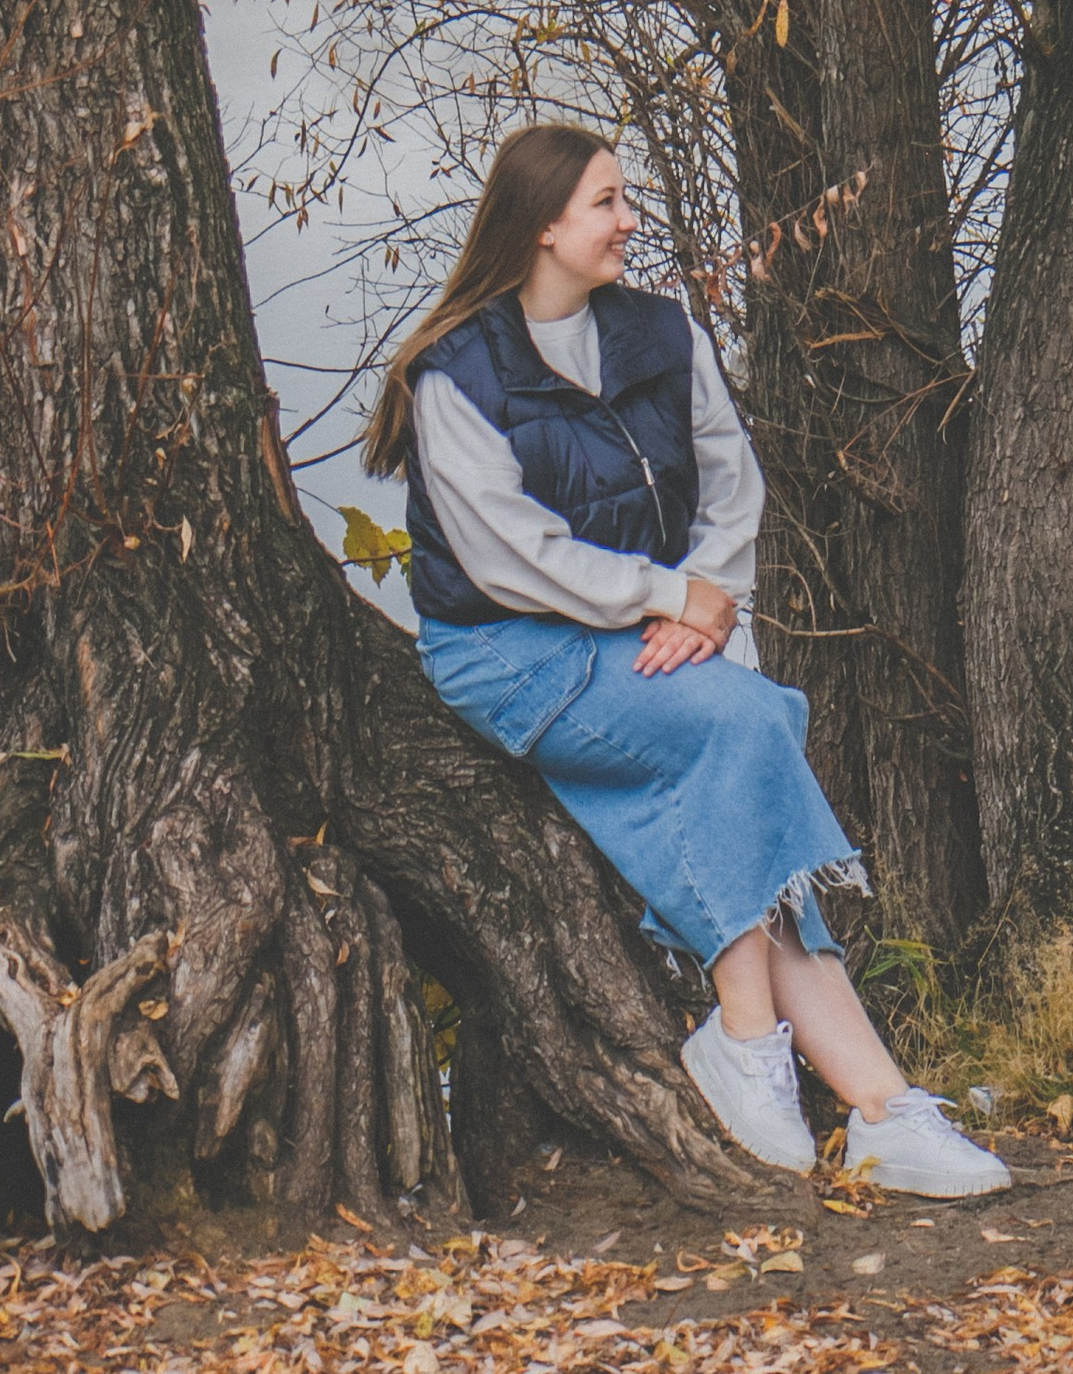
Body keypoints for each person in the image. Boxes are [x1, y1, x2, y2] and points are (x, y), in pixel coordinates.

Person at [362, 120, 1008, 1197]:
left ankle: (879, 1107)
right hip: (508, 650)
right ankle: (749, 1034)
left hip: (645, 630)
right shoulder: (456, 376)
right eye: (607, 203)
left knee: (744, 753)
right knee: (752, 725)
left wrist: (709, 607)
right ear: (541, 227)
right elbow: (509, 558)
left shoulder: (659, 335)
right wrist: (672, 595)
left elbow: (729, 479)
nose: (628, 222)